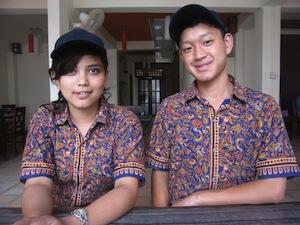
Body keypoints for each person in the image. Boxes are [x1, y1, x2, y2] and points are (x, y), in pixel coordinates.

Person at [146, 4, 300, 207]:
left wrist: (199, 198)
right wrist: (164, 220)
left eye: (207, 42)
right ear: (182, 56)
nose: (198, 54)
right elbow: (160, 175)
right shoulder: (170, 108)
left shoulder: (264, 108)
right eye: (188, 48)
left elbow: (274, 188)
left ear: (227, 43)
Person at [14, 28, 145, 225]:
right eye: (70, 71)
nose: (82, 81)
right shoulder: (44, 119)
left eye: (93, 70)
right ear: (55, 78)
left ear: (105, 76)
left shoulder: (125, 121)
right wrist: (37, 220)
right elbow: (38, 182)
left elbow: (126, 188)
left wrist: (73, 222)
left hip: (108, 218)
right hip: (54, 218)